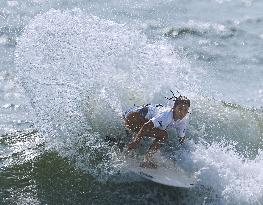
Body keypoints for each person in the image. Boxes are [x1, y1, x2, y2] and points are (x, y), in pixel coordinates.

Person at [123, 94, 190, 168]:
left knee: (161, 132)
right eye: (180, 109)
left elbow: (181, 139)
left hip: (137, 116)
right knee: (163, 135)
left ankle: (126, 145)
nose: (182, 113)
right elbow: (146, 126)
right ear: (174, 108)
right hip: (132, 117)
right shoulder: (166, 116)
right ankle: (145, 161)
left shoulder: (182, 121)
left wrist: (187, 154)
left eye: (185, 110)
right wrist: (136, 142)